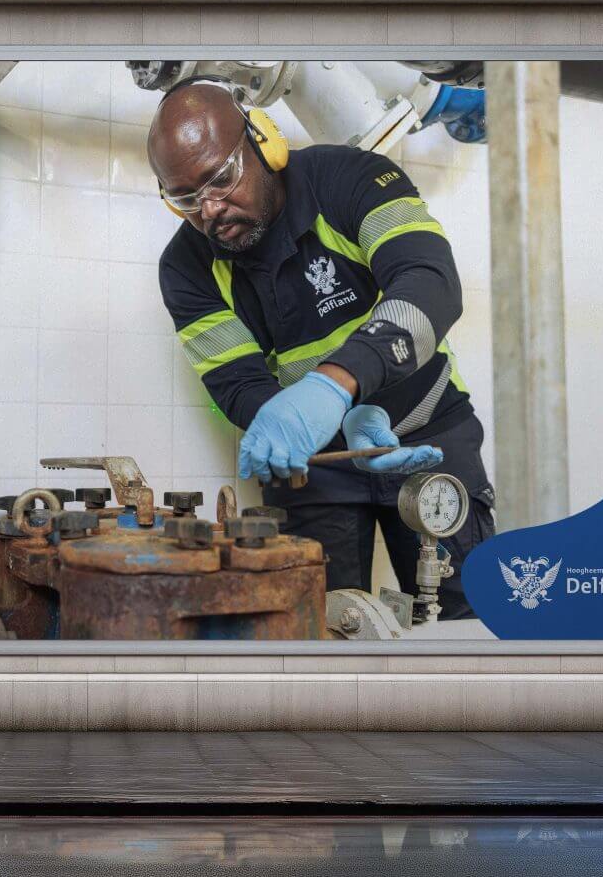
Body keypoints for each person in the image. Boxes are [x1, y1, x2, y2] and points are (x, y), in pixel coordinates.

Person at [151, 78, 493, 619]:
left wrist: (338, 385)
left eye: (222, 178)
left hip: (429, 434)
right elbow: (238, 384)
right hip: (314, 464)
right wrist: (317, 422)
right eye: (186, 199)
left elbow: (429, 284)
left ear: (264, 140)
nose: (210, 209)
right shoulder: (186, 267)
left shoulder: (352, 179)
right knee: (321, 627)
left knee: (467, 620)